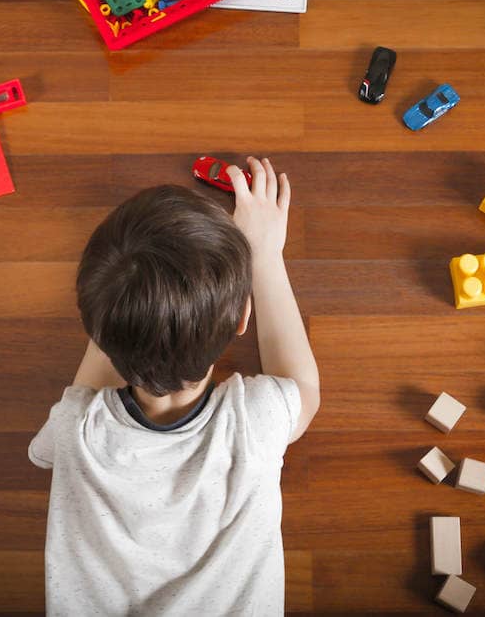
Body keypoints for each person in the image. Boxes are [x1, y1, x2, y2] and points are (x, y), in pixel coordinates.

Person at [29, 156, 320, 616]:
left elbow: (46, 446)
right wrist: (263, 255)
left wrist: (130, 299)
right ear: (245, 318)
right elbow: (303, 386)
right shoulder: (257, 419)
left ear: (96, 336)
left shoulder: (75, 429)